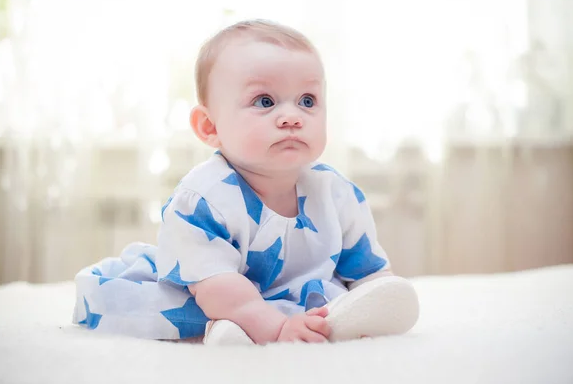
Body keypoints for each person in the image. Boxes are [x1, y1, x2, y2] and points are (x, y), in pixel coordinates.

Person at [73, 19, 419, 345]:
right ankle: (231, 326)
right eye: (264, 101)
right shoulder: (202, 198)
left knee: (326, 298)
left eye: (307, 101)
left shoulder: (336, 194)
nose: (292, 117)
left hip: (282, 292)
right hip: (204, 288)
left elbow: (366, 268)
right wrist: (276, 328)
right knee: (185, 306)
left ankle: (246, 328)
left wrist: (376, 294)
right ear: (210, 127)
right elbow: (216, 287)